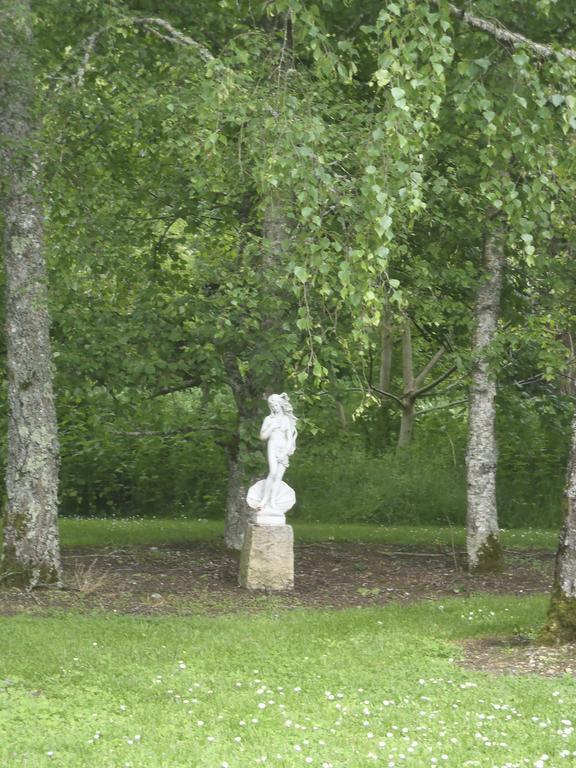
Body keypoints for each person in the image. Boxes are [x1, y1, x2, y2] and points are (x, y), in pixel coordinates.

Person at [258, 393, 297, 510]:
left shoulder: (286, 419)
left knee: (279, 476)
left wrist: (285, 452)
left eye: (276, 405)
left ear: (280, 405)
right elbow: (262, 436)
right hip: (273, 446)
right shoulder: (269, 419)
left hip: (283, 448)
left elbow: (290, 438)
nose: (274, 408)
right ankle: (264, 499)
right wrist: (271, 427)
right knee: (273, 472)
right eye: (272, 406)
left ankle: (273, 501)